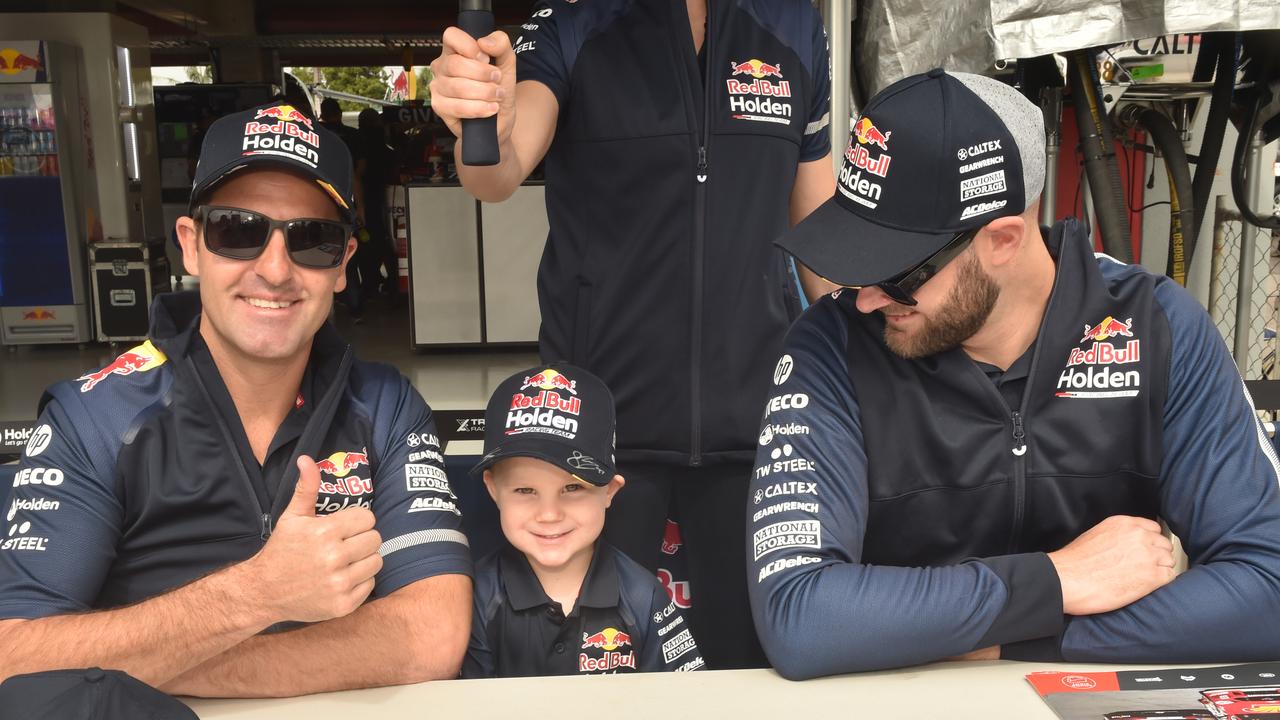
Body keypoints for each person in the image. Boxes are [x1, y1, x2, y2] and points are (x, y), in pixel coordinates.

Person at [749, 68, 1280, 679]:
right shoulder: (830, 346)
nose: (863, 298)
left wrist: (1018, 642)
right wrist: (1053, 582)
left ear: (1003, 239)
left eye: (894, 271)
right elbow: (801, 618)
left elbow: (1267, 586)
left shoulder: (1158, 328)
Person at [0, 101, 473, 696]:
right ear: (191, 246)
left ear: (344, 263)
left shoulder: (385, 405)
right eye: (238, 231)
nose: (275, 270)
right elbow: (14, 652)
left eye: (313, 240)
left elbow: (433, 633)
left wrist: (159, 664)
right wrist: (255, 595)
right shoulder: (93, 417)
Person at [430, 0, 837, 669]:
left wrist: (864, 354)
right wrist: (485, 120)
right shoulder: (574, 22)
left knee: (751, 670)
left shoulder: (793, 24)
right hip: (602, 437)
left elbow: (817, 222)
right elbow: (496, 173)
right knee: (592, 676)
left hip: (754, 422)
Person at [463, 364, 703, 677]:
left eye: (572, 488)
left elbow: (684, 701)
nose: (549, 515)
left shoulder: (644, 596)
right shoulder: (475, 598)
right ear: (493, 490)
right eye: (525, 490)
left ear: (610, 491)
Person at [318, 98, 368, 321]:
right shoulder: (353, 137)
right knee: (348, 260)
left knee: (316, 261)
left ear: (322, 113)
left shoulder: (316, 136)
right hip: (344, 209)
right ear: (338, 112)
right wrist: (361, 209)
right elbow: (359, 175)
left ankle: (323, 318)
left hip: (318, 210)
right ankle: (356, 310)